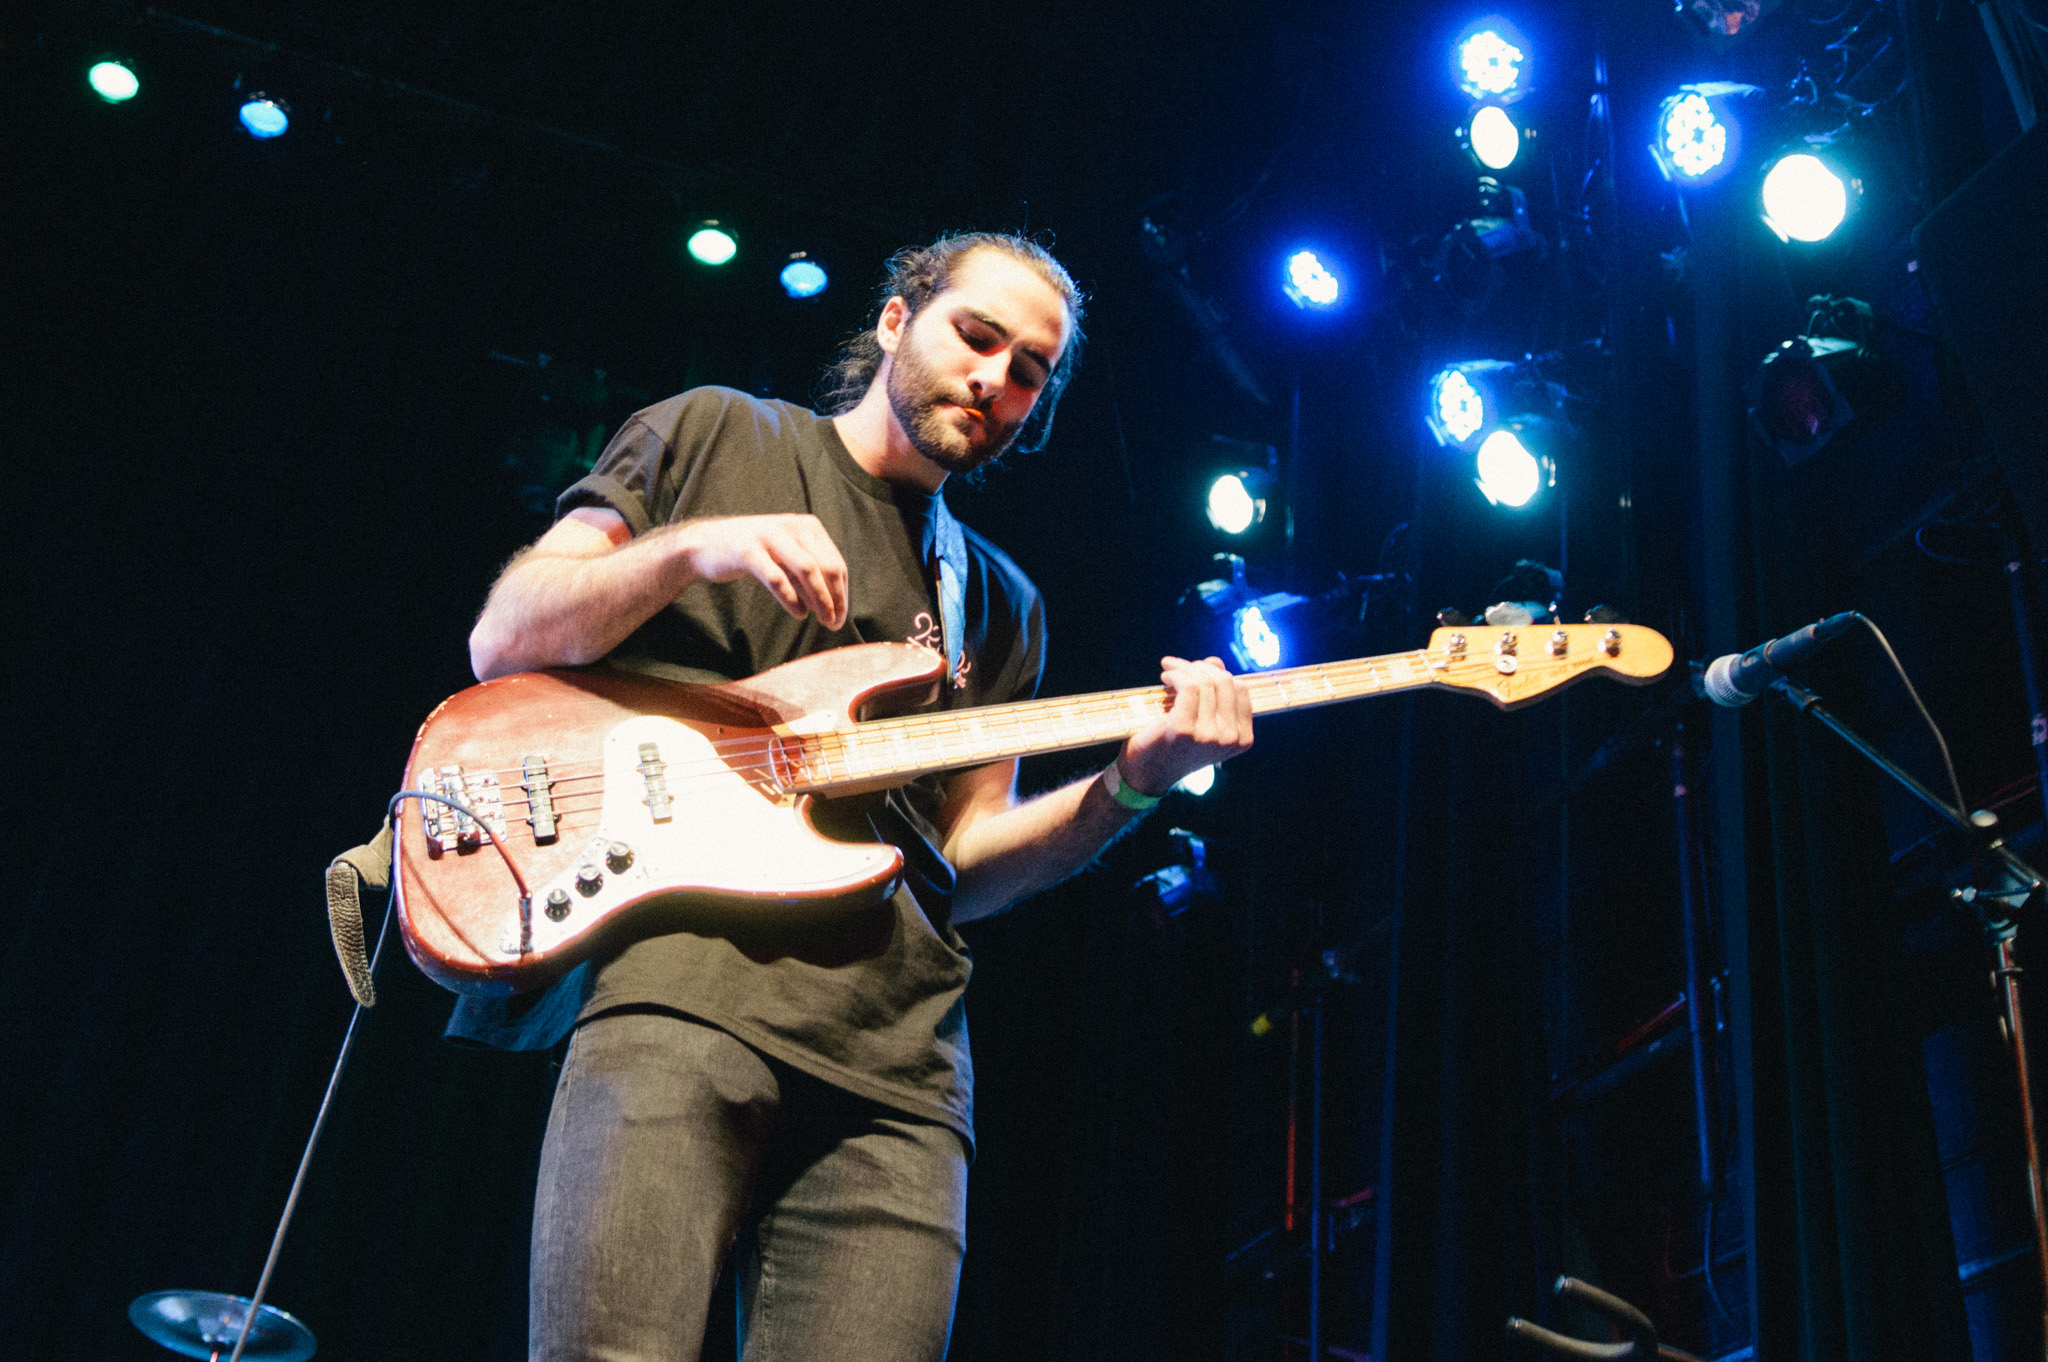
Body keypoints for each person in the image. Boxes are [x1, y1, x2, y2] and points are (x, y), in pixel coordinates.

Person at [458, 231, 1254, 1361]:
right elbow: (507, 634)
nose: (995, 378)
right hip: (685, 999)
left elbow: (966, 859)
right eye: (976, 335)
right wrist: (695, 551)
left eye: (1029, 371)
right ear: (894, 320)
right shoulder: (717, 432)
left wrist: (1130, 786)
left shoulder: (1001, 602)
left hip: (902, 1075)